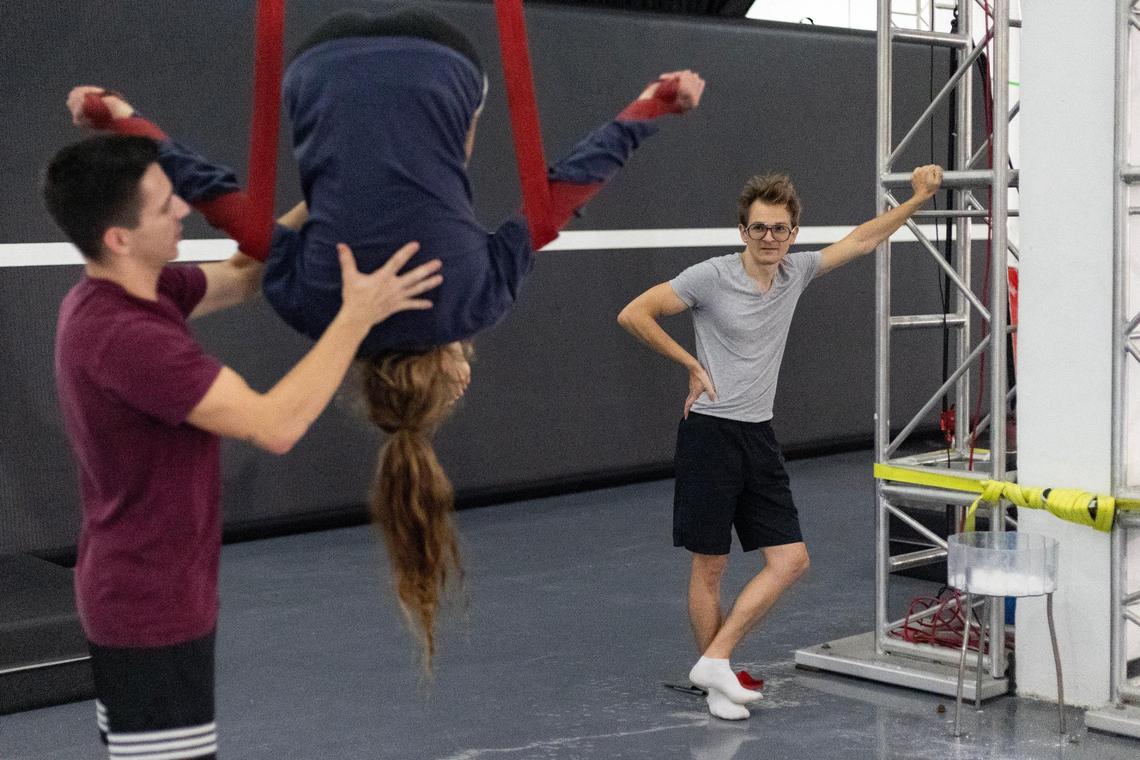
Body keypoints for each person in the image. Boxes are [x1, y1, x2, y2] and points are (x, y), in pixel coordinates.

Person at [68, 7, 706, 668]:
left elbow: (565, 189)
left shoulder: (480, 300)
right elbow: (221, 201)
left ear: (454, 372)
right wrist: (120, 116)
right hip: (316, 67)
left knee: (449, 149)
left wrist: (653, 105)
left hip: (445, 59)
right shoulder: (308, 305)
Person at [43, 134, 442, 760]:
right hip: (149, 608)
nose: (182, 209)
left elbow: (243, 273)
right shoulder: (127, 337)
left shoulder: (123, 293)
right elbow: (275, 423)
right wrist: (357, 316)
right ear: (118, 237)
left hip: (145, 589)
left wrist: (323, 196)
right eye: (164, 204)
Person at [618, 164, 943, 720]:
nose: (770, 238)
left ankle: (715, 661)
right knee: (710, 567)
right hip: (711, 436)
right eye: (760, 228)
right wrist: (689, 362)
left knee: (790, 560)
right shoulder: (710, 277)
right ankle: (716, 684)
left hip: (758, 435)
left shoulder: (796, 272)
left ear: (793, 233)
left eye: (781, 229)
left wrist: (917, 198)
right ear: (742, 230)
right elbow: (634, 313)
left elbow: (861, 239)